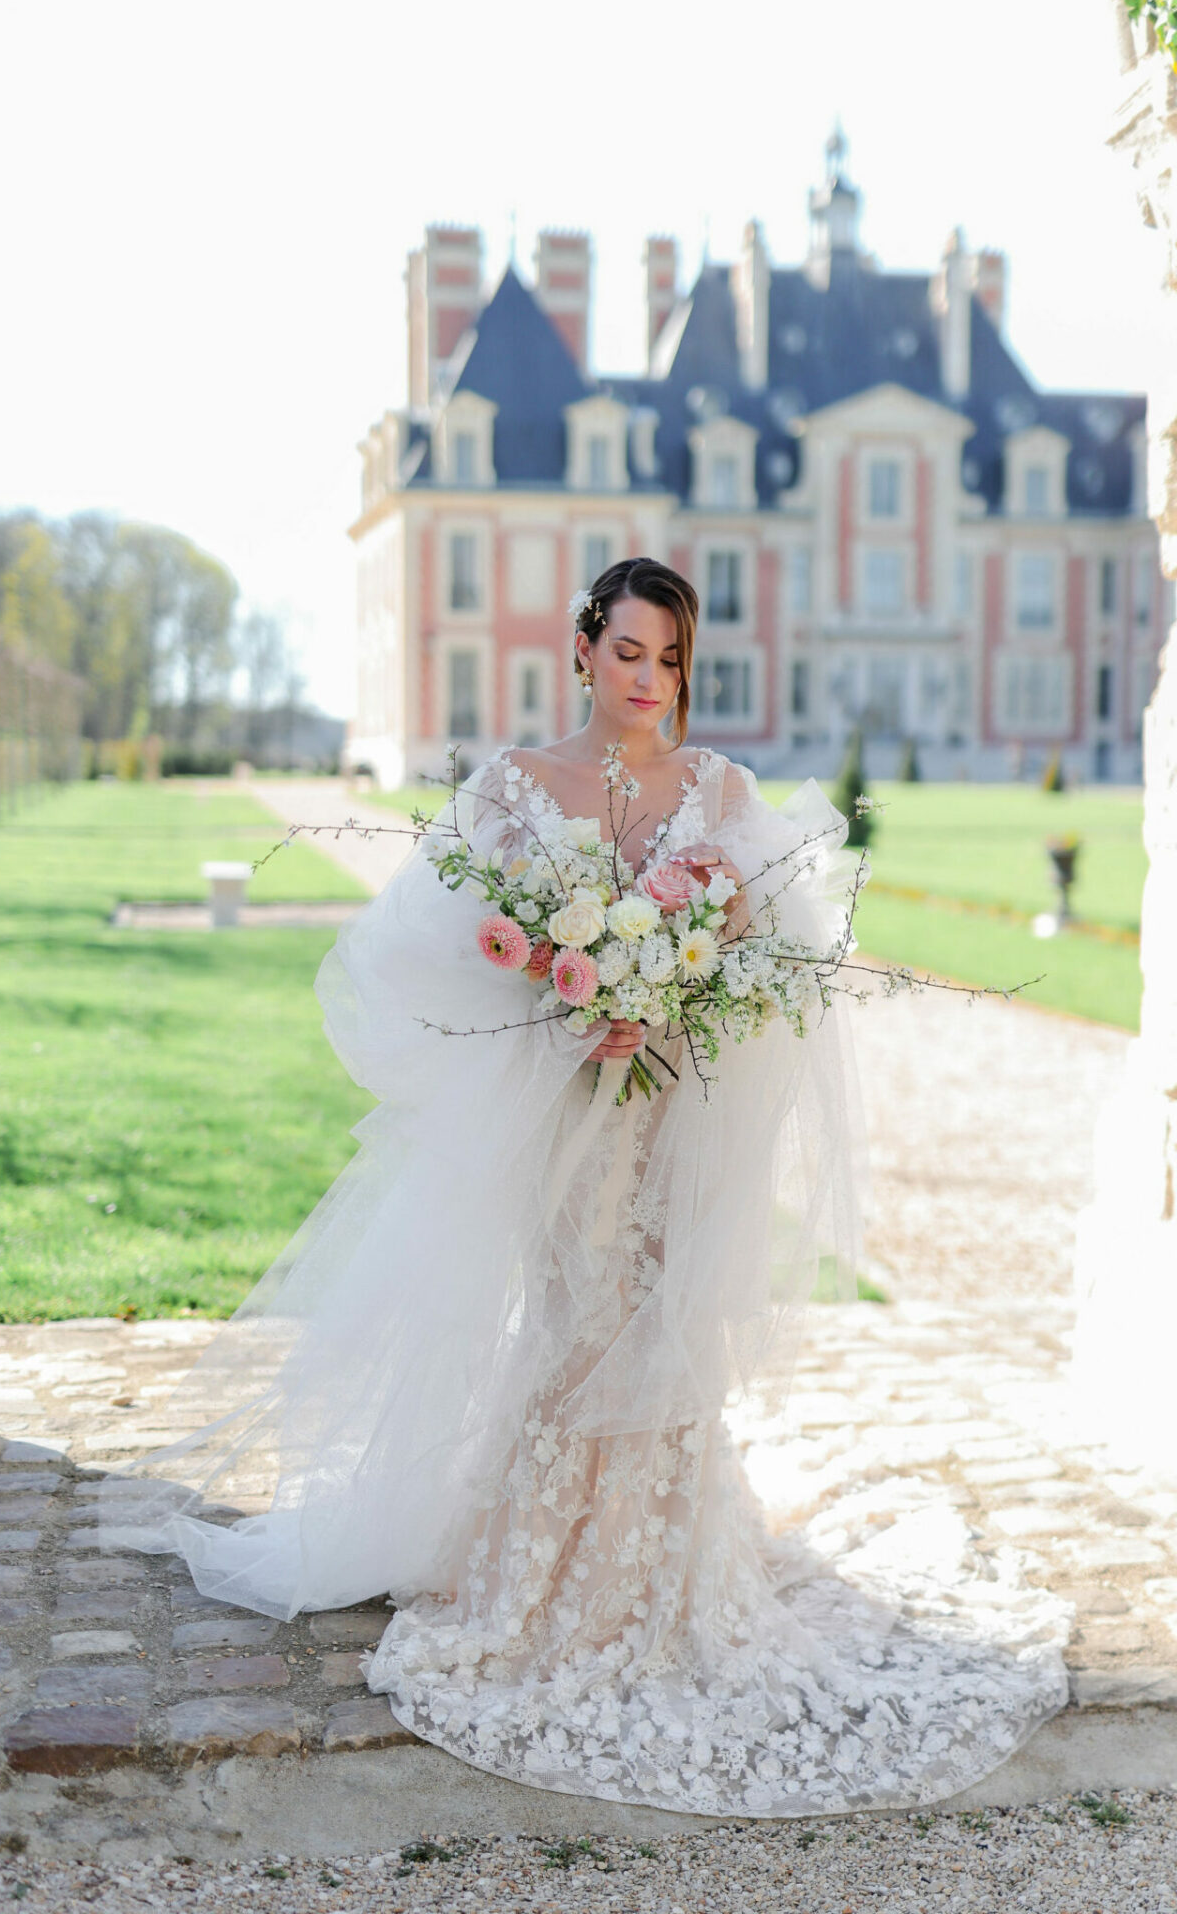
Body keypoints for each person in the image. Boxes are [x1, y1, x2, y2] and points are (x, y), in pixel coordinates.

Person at [98, 556, 1068, 1817]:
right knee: (578, 1313)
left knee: (664, 1311)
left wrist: (672, 992)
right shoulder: (515, 788)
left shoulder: (715, 789)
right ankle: (549, 1581)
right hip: (564, 1116)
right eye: (627, 653)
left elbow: (778, 951)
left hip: (673, 1105)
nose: (648, 682)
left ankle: (668, 1575)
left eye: (669, 660)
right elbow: (431, 955)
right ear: (580, 649)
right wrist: (569, 1006)